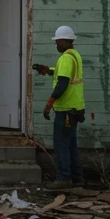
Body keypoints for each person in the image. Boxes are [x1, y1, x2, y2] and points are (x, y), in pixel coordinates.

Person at [35, 26, 85, 189]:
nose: (56, 44)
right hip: (76, 108)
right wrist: (48, 70)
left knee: (61, 145)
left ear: (64, 41)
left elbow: (62, 84)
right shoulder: (74, 55)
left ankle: (64, 178)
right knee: (71, 144)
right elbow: (63, 74)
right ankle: (77, 177)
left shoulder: (65, 58)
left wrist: (49, 104)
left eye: (57, 41)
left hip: (66, 110)